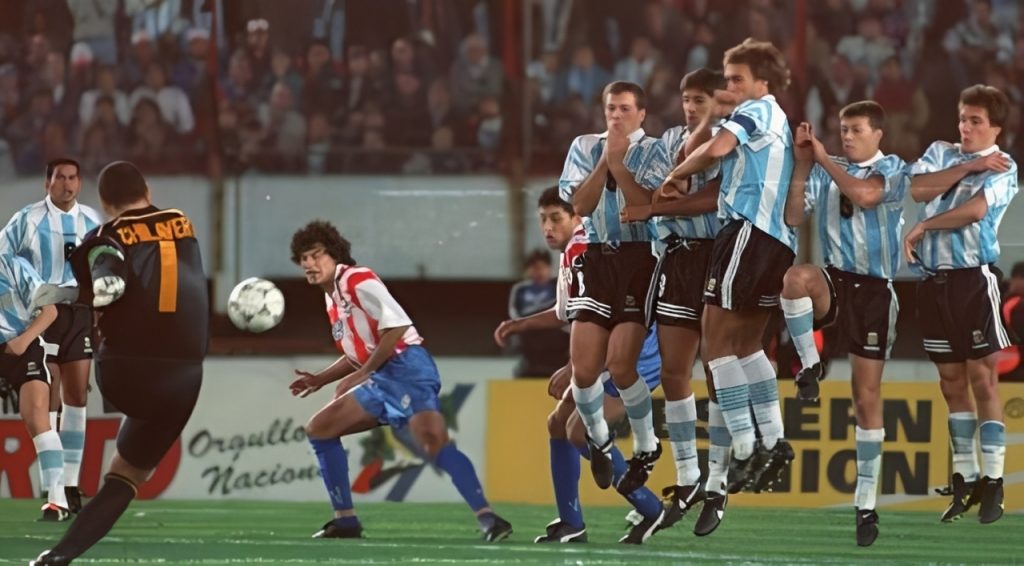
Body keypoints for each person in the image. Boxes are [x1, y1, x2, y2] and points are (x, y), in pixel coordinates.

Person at [287, 220, 512, 542]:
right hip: (381, 374)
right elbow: (357, 353)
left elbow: (396, 327)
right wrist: (320, 379)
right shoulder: (331, 299)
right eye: (303, 259)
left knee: (432, 439)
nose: (309, 263)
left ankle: (490, 519)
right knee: (320, 429)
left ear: (335, 254)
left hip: (406, 366)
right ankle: (346, 521)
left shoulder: (357, 279)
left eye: (316, 254)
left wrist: (364, 373)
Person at [33, 161, 209, 565]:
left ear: (105, 202)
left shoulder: (104, 235)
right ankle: (59, 555)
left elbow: (104, 257)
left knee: (122, 468)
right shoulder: (183, 223)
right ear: (147, 189)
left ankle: (57, 556)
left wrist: (97, 279)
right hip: (184, 376)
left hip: (125, 370)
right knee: (127, 476)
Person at [659, 38, 796, 535]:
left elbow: (714, 150)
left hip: (746, 233)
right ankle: (773, 441)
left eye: (737, 78)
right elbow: (702, 146)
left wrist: (674, 176)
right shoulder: (772, 115)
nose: (729, 86)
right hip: (774, 240)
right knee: (746, 346)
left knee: (714, 348)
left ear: (762, 81)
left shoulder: (755, 111)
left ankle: (742, 446)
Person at [494, 187, 667, 544]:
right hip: (606, 352)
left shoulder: (586, 248)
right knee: (557, 424)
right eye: (543, 219)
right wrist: (519, 324)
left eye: (555, 218)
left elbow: (606, 318)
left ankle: (651, 508)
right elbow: (566, 312)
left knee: (577, 431)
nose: (547, 227)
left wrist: (574, 367)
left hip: (636, 354)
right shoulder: (572, 252)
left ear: (577, 217)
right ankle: (572, 522)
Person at [781, 101, 908, 546]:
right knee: (795, 279)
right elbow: (793, 217)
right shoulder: (823, 168)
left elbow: (866, 196)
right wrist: (803, 167)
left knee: (865, 395)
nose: (847, 136)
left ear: (878, 133)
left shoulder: (893, 168)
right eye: (843, 130)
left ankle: (866, 503)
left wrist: (822, 157)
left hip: (875, 290)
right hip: (835, 279)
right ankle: (810, 365)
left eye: (856, 129)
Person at [904, 84, 1017, 525]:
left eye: (976, 121)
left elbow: (975, 212)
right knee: (950, 382)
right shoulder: (942, 152)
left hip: (973, 279)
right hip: (933, 282)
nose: (966, 128)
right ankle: (965, 477)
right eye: (963, 119)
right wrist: (970, 165)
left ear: (996, 128)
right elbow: (918, 190)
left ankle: (995, 481)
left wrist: (925, 226)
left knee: (983, 379)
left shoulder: (1004, 165)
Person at [620, 68, 726, 522]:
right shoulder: (668, 141)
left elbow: (717, 197)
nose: (690, 106)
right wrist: (656, 201)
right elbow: (650, 194)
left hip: (719, 255)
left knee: (718, 370)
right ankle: (688, 475)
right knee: (673, 369)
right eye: (687, 99)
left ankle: (718, 482)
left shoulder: (730, 141)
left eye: (700, 99)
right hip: (679, 257)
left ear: (719, 101)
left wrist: (659, 207)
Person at [558, 80, 671, 498]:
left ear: (642, 114)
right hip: (596, 256)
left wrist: (621, 165)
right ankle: (601, 441)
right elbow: (580, 206)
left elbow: (647, 205)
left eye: (625, 108)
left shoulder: (656, 149)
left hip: (640, 256)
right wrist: (606, 161)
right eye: (611, 108)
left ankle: (646, 442)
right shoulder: (585, 145)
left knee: (622, 366)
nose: (617, 115)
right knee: (584, 369)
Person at [0, 157, 102, 513]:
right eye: (60, 178)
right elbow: (5, 259)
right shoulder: (27, 219)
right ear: (48, 183)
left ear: (80, 182)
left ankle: (70, 485)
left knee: (78, 393)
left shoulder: (92, 220)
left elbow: (103, 265)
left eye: (73, 178)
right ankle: (55, 488)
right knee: (52, 393)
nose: (67, 185)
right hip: (43, 312)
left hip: (80, 311)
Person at [0, 255, 68, 521]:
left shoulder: (14, 265)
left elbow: (50, 311)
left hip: (22, 349)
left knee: (37, 419)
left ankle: (56, 501)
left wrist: (22, 341)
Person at [505, 248, 566, 378]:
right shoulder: (520, 289)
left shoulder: (558, 286)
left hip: (556, 340)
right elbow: (514, 315)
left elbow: (562, 312)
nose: (539, 272)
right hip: (529, 340)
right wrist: (532, 321)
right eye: (534, 268)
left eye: (542, 267)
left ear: (549, 268)